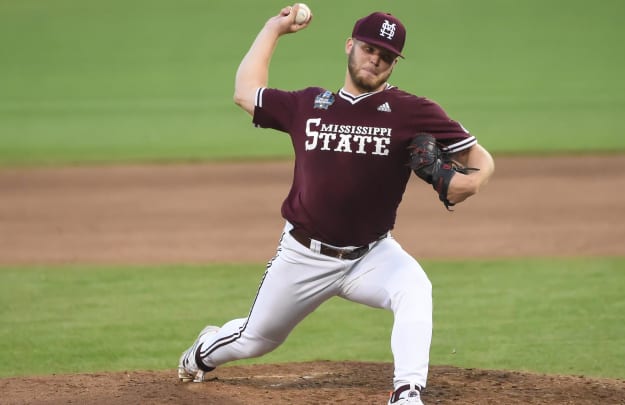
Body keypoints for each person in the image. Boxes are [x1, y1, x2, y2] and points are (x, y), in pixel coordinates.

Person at [178, 5, 495, 404]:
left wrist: (472, 183)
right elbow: (245, 92)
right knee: (255, 339)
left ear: (394, 63)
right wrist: (272, 29)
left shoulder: (413, 112)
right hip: (303, 256)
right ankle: (201, 353)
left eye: (386, 55)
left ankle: (407, 393)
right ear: (350, 46)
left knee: (415, 288)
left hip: (371, 254)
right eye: (368, 48)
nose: (375, 59)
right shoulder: (309, 105)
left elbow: (480, 160)